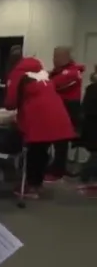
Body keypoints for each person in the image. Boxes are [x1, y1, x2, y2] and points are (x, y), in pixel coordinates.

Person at [5, 55, 75, 198]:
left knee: (33, 151)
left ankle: (30, 186)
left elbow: (10, 102)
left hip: (38, 117)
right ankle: (37, 184)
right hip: (57, 114)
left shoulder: (17, 73)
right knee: (41, 150)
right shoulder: (43, 73)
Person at [48, 46, 84, 182]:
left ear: (66, 57)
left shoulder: (71, 73)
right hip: (58, 108)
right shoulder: (58, 72)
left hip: (68, 109)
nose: (54, 59)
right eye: (53, 56)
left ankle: (58, 170)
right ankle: (56, 166)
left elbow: (53, 84)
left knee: (61, 141)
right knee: (56, 140)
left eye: (57, 56)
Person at [79, 79, 97, 196]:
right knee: (95, 154)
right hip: (93, 126)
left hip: (91, 126)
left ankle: (87, 176)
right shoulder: (93, 89)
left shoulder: (91, 88)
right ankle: (86, 177)